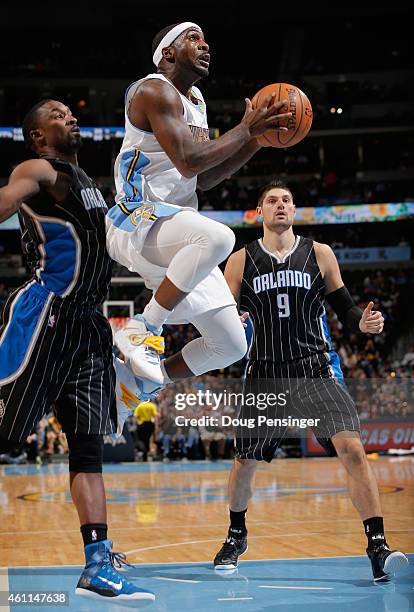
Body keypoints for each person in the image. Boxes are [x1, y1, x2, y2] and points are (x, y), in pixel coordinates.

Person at [213, 180, 408, 582]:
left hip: (315, 366)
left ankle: (377, 545)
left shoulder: (319, 254)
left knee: (353, 449)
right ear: (259, 212)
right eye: (271, 200)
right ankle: (236, 534)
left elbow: (347, 308)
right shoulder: (239, 260)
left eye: (286, 200)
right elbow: (223, 315)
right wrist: (231, 321)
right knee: (245, 461)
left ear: (294, 210)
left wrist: (364, 323)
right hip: (265, 372)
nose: (280, 205)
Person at [0, 99, 154, 602]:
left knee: (87, 452)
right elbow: (7, 197)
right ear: (37, 135)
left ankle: (97, 563)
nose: (69, 116)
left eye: (70, 111)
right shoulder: (38, 168)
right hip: (46, 316)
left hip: (89, 328)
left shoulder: (88, 181)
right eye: (56, 113)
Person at [105, 22, 292, 396]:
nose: (205, 45)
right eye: (194, 38)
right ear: (167, 54)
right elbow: (189, 161)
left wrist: (254, 140)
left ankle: (133, 389)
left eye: (205, 39)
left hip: (177, 229)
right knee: (220, 237)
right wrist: (244, 128)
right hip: (137, 219)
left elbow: (202, 178)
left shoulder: (197, 102)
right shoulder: (154, 90)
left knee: (232, 345)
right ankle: (145, 326)